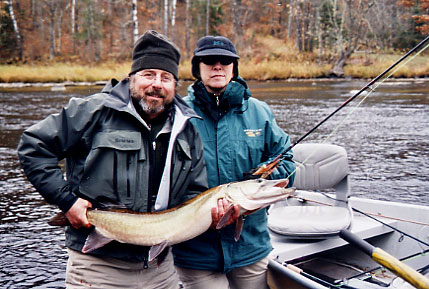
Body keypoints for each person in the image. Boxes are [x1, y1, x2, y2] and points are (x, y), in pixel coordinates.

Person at [17, 30, 208, 289]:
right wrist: (66, 201)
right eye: (148, 74)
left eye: (166, 77)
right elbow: (33, 146)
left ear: (175, 85)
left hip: (160, 269)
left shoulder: (187, 130)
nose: (157, 84)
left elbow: (195, 193)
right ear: (131, 78)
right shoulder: (92, 111)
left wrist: (212, 215)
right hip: (97, 266)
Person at [172, 36, 297, 289]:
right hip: (196, 254)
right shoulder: (176, 115)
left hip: (251, 247)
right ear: (198, 68)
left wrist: (258, 186)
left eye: (225, 61)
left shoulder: (260, 112)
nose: (218, 66)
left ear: (233, 67)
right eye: (209, 60)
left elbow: (288, 163)